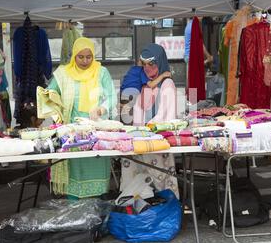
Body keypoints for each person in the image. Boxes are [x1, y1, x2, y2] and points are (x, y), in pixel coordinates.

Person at [37, 37, 117, 199]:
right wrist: (50, 100)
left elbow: (111, 96)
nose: (85, 61)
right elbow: (51, 92)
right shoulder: (63, 73)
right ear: (74, 55)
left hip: (96, 132)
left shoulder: (101, 72)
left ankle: (97, 208)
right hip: (72, 133)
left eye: (89, 57)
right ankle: (74, 211)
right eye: (81, 57)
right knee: (75, 169)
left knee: (96, 165)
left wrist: (102, 108)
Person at [120, 43, 179, 198]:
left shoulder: (167, 85)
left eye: (151, 64)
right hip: (141, 143)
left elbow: (165, 117)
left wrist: (145, 131)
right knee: (136, 183)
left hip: (158, 145)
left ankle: (164, 212)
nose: (147, 68)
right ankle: (139, 210)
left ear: (159, 62)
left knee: (162, 186)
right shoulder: (145, 86)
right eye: (144, 64)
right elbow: (137, 115)